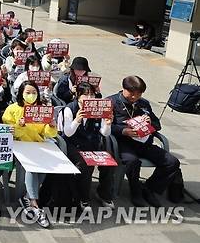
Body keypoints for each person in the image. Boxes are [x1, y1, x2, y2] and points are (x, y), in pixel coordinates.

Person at [107, 76, 180, 207]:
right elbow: (104, 127)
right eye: (131, 93)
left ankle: (149, 188)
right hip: (123, 144)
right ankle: (136, 192)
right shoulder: (111, 102)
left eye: (138, 94)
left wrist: (150, 122)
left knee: (172, 162)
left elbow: (157, 124)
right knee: (132, 161)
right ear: (124, 89)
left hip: (144, 143)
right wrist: (123, 131)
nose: (135, 97)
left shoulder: (144, 104)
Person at [2, 81, 57, 228]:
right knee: (32, 166)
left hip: (37, 145)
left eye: (34, 92)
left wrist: (51, 126)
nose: (31, 95)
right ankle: (34, 204)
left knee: (47, 164)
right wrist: (19, 126)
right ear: (21, 93)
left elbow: (47, 133)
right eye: (27, 92)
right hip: (17, 146)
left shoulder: (42, 110)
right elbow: (9, 133)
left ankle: (27, 197)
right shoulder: (12, 109)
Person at [58, 82, 115, 211]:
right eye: (85, 94)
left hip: (92, 144)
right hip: (73, 145)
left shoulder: (98, 110)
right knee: (84, 164)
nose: (89, 98)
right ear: (78, 95)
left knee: (109, 163)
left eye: (91, 94)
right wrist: (77, 120)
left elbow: (105, 133)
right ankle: (83, 198)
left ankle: (104, 194)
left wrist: (107, 123)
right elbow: (67, 132)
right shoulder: (69, 109)